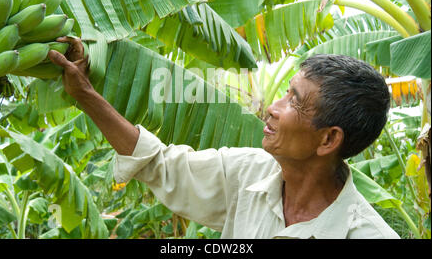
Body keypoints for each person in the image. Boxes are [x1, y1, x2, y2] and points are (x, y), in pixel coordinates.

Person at [48, 36, 400, 239]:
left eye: (294, 100)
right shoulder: (250, 173)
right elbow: (159, 164)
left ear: (328, 140)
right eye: (284, 92)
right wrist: (85, 95)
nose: (273, 108)